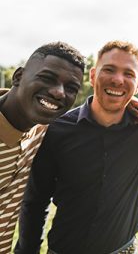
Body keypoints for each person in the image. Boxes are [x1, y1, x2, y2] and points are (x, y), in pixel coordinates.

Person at [15, 40, 138, 254]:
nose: (118, 79)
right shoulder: (56, 130)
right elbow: (35, 202)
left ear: (137, 84)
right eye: (109, 69)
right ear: (92, 76)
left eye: (128, 74)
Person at [0, 42, 84, 254]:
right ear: (18, 77)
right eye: (47, 78)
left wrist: (126, 103)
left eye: (71, 88)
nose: (58, 92)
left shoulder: (40, 129)